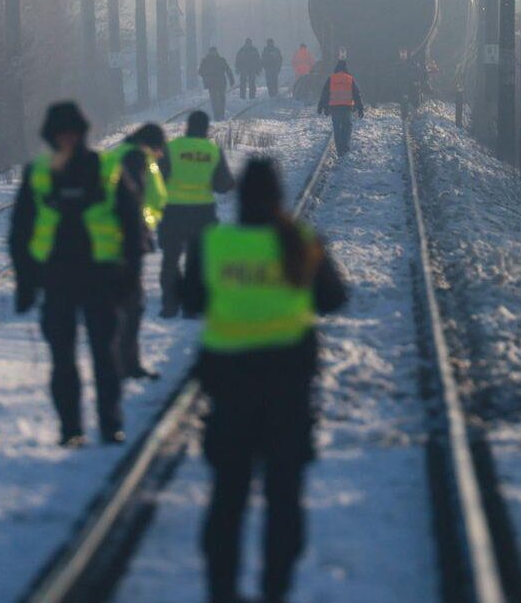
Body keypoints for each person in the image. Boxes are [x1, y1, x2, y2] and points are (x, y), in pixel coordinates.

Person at [181, 158, 348, 603]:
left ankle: (222, 591)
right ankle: (276, 588)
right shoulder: (300, 242)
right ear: (280, 196)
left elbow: (191, 299)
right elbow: (334, 298)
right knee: (283, 500)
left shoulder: (213, 244)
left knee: (227, 500)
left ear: (238, 198)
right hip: (287, 393)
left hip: (229, 392)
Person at [9, 101, 149, 447]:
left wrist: (131, 274)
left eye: (72, 134)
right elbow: (20, 231)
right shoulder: (38, 173)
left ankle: (109, 424)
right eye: (61, 135)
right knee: (63, 359)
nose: (68, 140)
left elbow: (132, 227)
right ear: (51, 137)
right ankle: (71, 429)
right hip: (57, 279)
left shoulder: (106, 169)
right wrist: (25, 282)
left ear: (83, 134)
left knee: (105, 354)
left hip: (101, 276)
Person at [159, 110, 235, 318]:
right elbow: (222, 185)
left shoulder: (171, 148)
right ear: (206, 129)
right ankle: (192, 306)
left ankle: (170, 304)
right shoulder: (213, 151)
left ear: (187, 127)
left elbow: (158, 178)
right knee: (197, 261)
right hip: (202, 212)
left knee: (171, 259)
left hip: (173, 211)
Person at [108, 123, 168, 380]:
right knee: (132, 304)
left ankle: (116, 362)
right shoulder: (139, 159)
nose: (161, 155)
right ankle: (127, 365)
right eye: (159, 149)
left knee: (116, 303)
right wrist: (144, 225)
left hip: (107, 240)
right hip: (129, 240)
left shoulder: (114, 155)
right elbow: (147, 199)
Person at [317, 59, 365, 154]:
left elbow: (325, 94)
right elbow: (357, 94)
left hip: (335, 108)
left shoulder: (331, 78)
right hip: (347, 108)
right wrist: (360, 108)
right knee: (347, 127)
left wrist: (321, 106)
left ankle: (339, 148)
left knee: (337, 128)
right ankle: (345, 147)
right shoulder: (350, 79)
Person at [199, 46, 235, 120]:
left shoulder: (220, 60)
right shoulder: (206, 61)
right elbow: (200, 71)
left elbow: (227, 69)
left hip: (220, 82)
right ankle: (216, 114)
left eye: (214, 52)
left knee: (221, 98)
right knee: (214, 99)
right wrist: (206, 75)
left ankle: (221, 113)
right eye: (212, 52)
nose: (213, 53)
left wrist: (231, 79)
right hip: (212, 83)